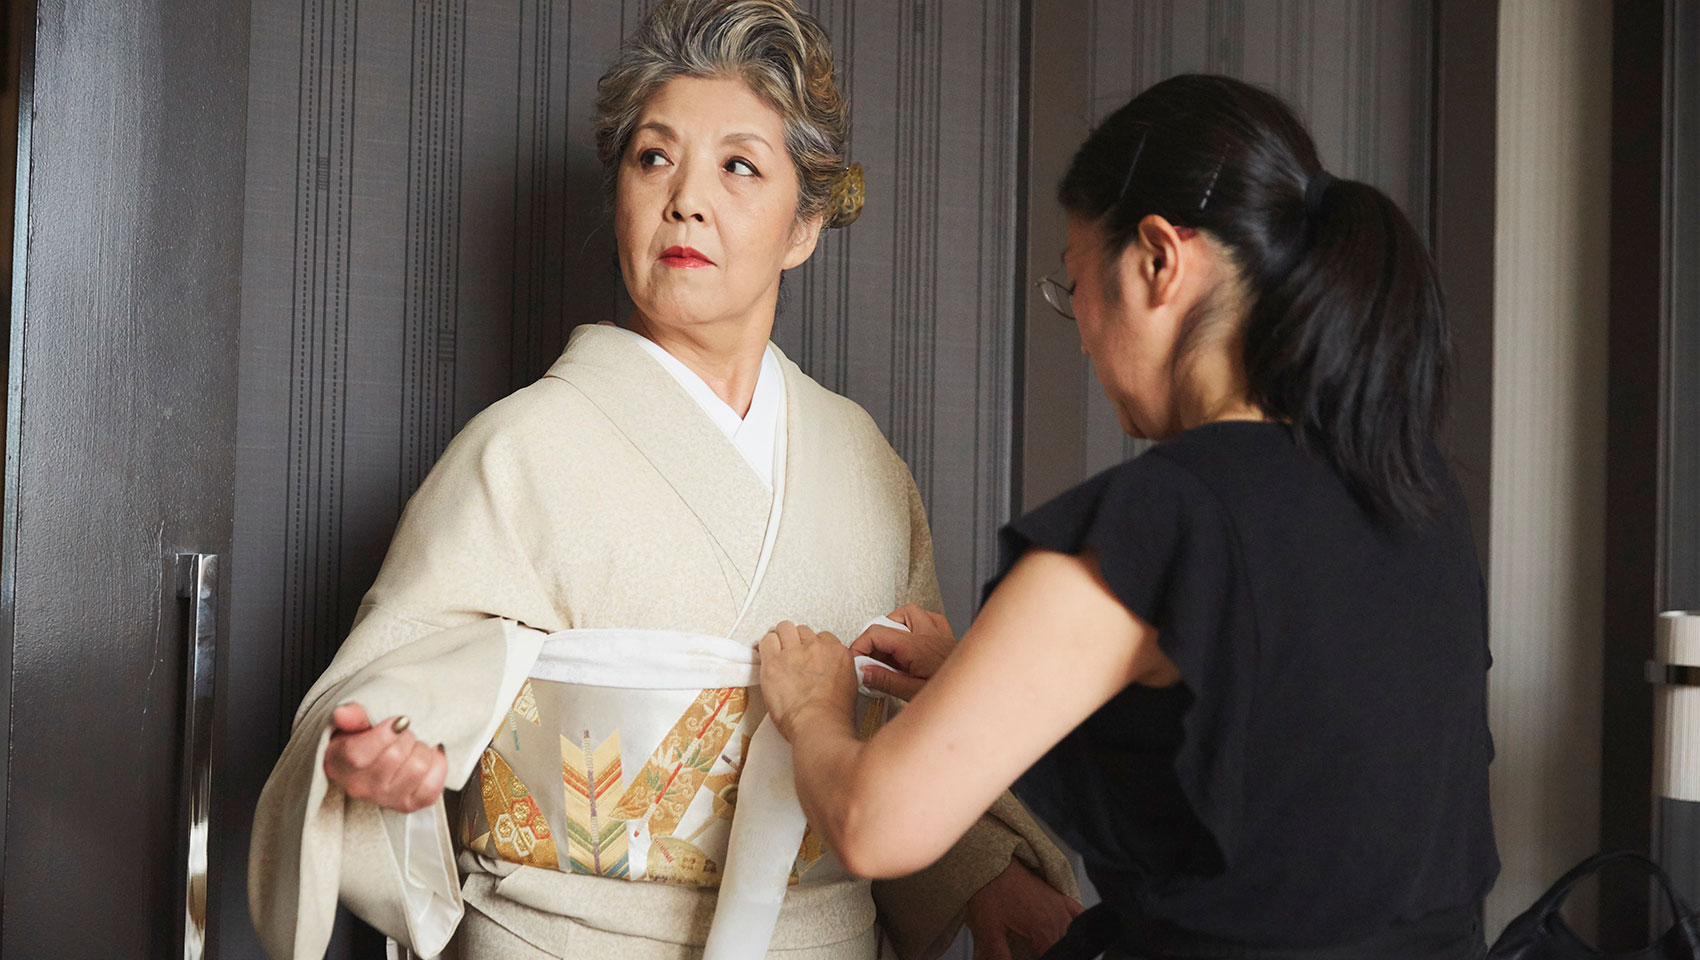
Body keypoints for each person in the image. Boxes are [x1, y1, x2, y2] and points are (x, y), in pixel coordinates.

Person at [246, 2, 1079, 958]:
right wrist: (383, 765)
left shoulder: (864, 465)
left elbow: (909, 725)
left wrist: (984, 872)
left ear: (805, 225)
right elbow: (370, 701)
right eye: (654, 157)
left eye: (739, 165)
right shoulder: (519, 450)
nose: (686, 198)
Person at [760, 74, 1499, 960]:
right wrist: (970, 675)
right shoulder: (1411, 490)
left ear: (1157, 259)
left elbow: (876, 825)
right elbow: (1280, 770)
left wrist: (813, 712)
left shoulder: (1168, 515)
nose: (1080, 334)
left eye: (1077, 286)